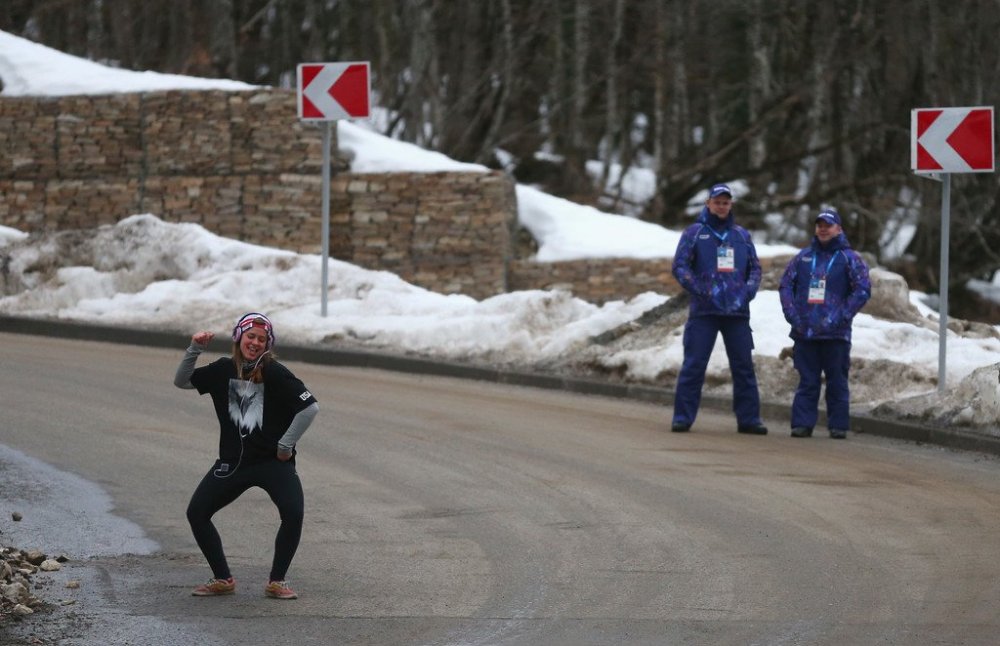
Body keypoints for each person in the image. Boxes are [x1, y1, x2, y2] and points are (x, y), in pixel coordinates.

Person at [174, 312, 319, 599]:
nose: (254, 342)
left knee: (293, 513)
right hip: (234, 463)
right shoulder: (222, 369)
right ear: (239, 337)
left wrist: (285, 446)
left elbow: (309, 408)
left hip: (272, 462)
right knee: (197, 513)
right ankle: (222, 578)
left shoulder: (275, 372)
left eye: (261, 339)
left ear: (268, 344)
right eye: (250, 336)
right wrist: (194, 349)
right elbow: (182, 381)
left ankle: (277, 582)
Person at [670, 183, 768, 435]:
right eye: (717, 202)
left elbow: (755, 268)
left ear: (730, 205)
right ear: (708, 204)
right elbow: (680, 266)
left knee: (743, 366)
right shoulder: (695, 233)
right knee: (694, 365)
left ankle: (749, 420)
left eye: (726, 202)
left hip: (736, 313)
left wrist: (748, 290)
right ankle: (682, 417)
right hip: (704, 312)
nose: (721, 206)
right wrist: (700, 289)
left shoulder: (741, 235)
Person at [778, 208, 871, 439]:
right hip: (805, 331)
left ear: (838, 228)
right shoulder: (803, 258)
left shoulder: (850, 259)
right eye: (819, 225)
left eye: (827, 225)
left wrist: (841, 316)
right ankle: (802, 424)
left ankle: (838, 425)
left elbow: (862, 290)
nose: (822, 228)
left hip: (835, 334)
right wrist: (792, 315)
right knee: (807, 381)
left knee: (837, 380)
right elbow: (786, 286)